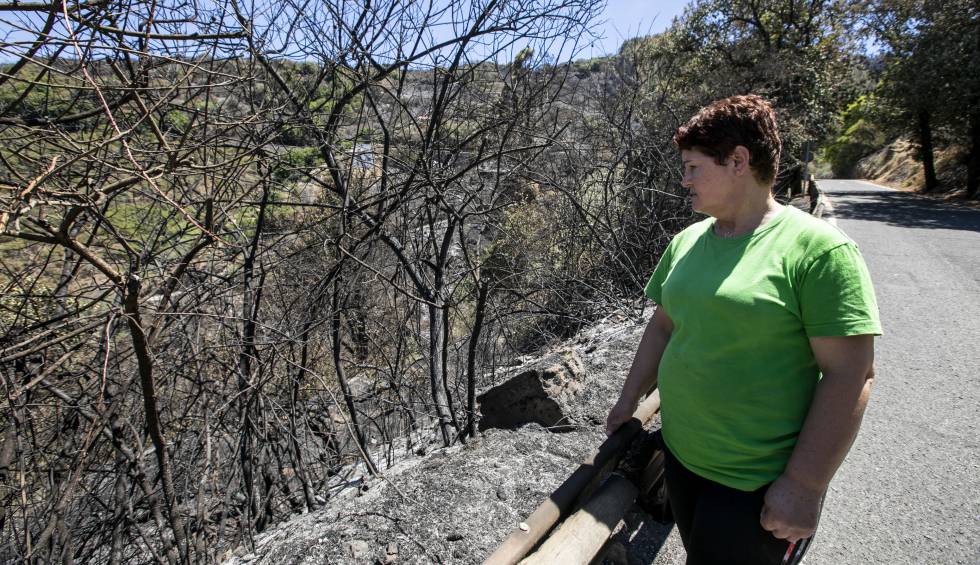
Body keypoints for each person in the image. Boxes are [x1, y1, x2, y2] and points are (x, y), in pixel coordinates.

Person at [605, 95, 881, 565]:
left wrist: (804, 484)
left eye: (693, 167)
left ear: (738, 161)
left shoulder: (818, 251)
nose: (684, 179)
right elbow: (663, 326)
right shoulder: (687, 241)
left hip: (754, 483)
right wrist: (626, 402)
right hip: (681, 459)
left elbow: (850, 375)